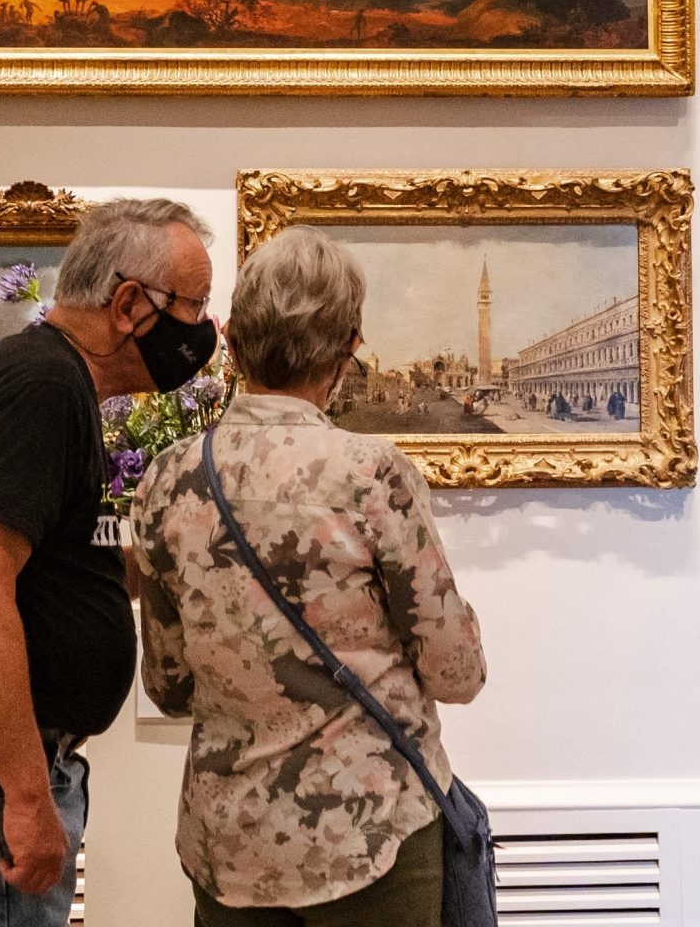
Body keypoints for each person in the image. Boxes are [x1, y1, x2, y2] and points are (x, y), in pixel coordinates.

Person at [0, 198, 220, 927]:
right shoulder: (41, 388)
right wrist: (26, 798)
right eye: (193, 306)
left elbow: (56, 562)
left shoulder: (59, 385)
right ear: (129, 304)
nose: (202, 331)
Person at [129, 227, 486, 927]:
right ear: (347, 350)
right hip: (371, 834)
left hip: (229, 845)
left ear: (231, 341)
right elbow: (457, 673)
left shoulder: (170, 479)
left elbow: (168, 685)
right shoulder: (371, 474)